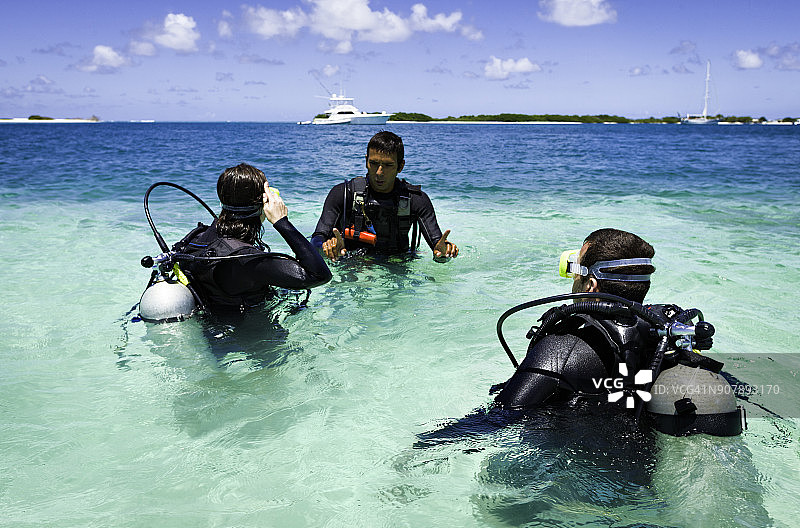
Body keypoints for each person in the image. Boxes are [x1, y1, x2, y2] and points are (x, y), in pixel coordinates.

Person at [175, 163, 331, 312]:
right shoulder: (247, 260)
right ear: (263, 202)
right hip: (246, 336)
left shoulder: (199, 237)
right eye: (269, 191)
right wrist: (281, 222)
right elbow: (319, 275)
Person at [311, 131, 458, 261]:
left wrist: (443, 255)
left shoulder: (416, 200)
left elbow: (438, 248)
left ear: (401, 166)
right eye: (374, 163)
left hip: (398, 264)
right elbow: (316, 239)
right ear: (366, 161)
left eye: (388, 165)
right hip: (353, 263)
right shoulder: (344, 193)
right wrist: (326, 249)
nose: (379, 172)